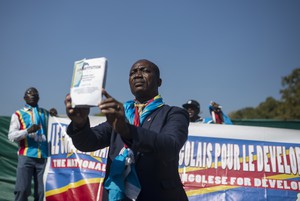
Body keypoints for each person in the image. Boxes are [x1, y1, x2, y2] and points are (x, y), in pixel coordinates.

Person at [65, 59, 189, 201]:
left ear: (159, 82)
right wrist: (79, 124)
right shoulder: (120, 116)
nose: (137, 75)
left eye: (145, 70)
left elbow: (170, 146)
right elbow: (88, 143)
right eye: (133, 72)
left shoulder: (174, 113)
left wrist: (127, 131)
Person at [8, 87, 49, 201]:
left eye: (35, 95)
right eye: (29, 95)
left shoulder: (45, 113)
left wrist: (55, 116)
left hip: (43, 157)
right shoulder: (18, 114)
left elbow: (56, 129)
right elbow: (11, 136)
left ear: (39, 98)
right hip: (26, 156)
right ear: (24, 98)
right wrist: (27, 131)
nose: (32, 96)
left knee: (43, 192)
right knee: (22, 189)